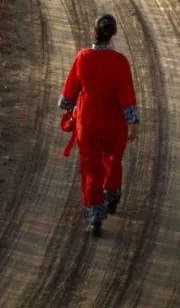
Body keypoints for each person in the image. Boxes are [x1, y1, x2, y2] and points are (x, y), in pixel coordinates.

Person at [59, 13, 139, 237]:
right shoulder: (120, 62)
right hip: (114, 122)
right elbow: (127, 95)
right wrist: (134, 122)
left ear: (94, 32)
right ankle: (112, 195)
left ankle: (95, 215)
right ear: (113, 35)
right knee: (113, 160)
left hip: (88, 122)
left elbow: (68, 95)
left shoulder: (83, 57)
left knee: (90, 168)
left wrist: (68, 109)